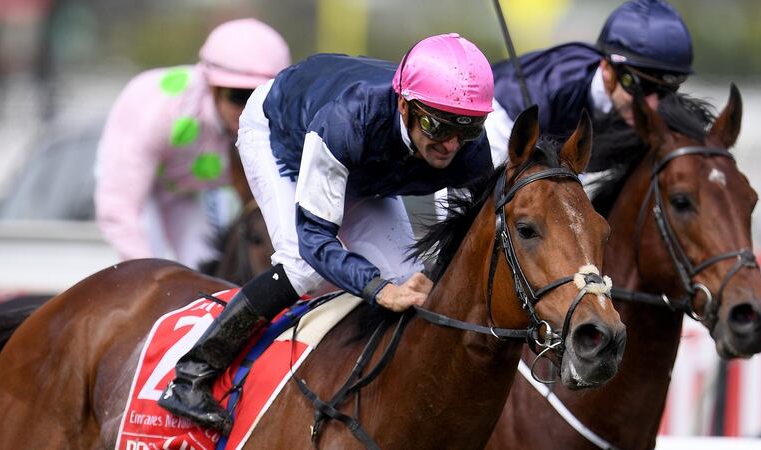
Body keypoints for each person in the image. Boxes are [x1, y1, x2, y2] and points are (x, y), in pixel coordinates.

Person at [158, 33, 495, 434]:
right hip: (283, 136)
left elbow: (469, 230)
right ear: (404, 105)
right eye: (436, 126)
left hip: (364, 168)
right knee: (301, 266)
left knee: (412, 280)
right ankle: (194, 372)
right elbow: (316, 240)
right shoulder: (349, 119)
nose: (451, 145)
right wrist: (375, 288)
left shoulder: (466, 141)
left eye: (468, 129)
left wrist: (434, 273)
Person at [94, 18, 291, 269]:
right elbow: (118, 210)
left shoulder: (276, 127)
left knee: (202, 270)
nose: (248, 110)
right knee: (152, 266)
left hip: (184, 192)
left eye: (261, 97)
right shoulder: (159, 110)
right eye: (239, 95)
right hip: (135, 186)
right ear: (212, 87)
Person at [487, 0, 693, 166]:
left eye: (667, 90)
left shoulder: (646, 109)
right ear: (607, 70)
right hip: (495, 115)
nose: (652, 105)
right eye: (641, 87)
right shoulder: (546, 91)